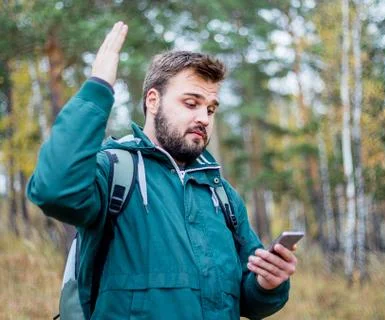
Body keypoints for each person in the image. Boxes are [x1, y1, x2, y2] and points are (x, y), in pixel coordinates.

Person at [27, 21, 297, 319]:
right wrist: (99, 88)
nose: (204, 118)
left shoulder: (221, 194)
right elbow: (55, 191)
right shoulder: (115, 171)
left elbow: (248, 299)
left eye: (210, 109)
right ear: (153, 101)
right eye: (191, 103)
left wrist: (267, 285)